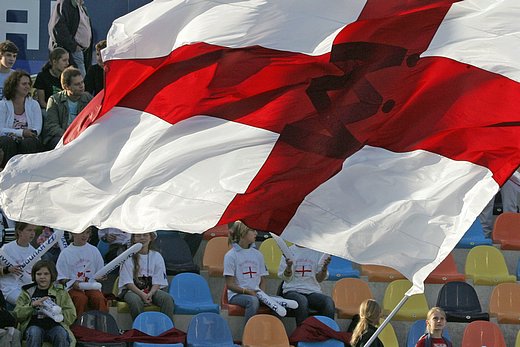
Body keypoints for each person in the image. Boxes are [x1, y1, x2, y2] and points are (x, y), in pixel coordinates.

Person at [14, 260, 76, 347]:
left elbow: (72, 315)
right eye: (39, 274)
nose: (42, 277)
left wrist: (58, 313)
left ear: (52, 275)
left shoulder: (60, 292)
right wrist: (32, 306)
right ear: (34, 276)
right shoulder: (27, 292)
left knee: (61, 334)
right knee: (34, 332)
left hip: (55, 326)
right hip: (33, 326)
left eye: (46, 274)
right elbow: (17, 314)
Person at [118, 232, 174, 321]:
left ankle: (166, 328)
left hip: (151, 290)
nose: (142, 238)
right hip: (132, 291)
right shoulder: (127, 257)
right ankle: (140, 328)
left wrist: (150, 294)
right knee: (135, 300)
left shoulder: (157, 256)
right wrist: (142, 295)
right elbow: (128, 283)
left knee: (167, 299)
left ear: (151, 238)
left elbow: (158, 280)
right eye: (138, 235)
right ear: (133, 239)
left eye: (145, 235)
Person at [56, 227, 108, 318]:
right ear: (73, 233)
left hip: (91, 286)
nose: (85, 235)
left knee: (98, 298)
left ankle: (102, 325)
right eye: (81, 232)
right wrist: (73, 283)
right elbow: (61, 277)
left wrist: (102, 277)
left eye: (87, 232)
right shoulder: (66, 253)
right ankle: (78, 327)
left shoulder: (94, 250)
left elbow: (100, 271)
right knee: (80, 299)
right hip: (73, 288)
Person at [223, 221, 269, 323]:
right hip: (237, 295)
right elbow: (230, 284)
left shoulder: (258, 255)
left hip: (256, 293)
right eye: (252, 230)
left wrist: (263, 295)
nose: (256, 233)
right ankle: (248, 333)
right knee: (252, 301)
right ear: (243, 233)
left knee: (277, 305)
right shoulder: (231, 256)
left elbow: (263, 279)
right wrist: (247, 292)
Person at [278, 244, 335, 325]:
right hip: (292, 290)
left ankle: (328, 332)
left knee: (328, 301)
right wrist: (289, 267)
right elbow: (286, 278)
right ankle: (302, 333)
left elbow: (319, 279)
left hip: (312, 291)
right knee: (302, 301)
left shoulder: (317, 252)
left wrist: (324, 268)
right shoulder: (288, 251)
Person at [0, 70, 44, 168]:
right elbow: (1, 130)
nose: (27, 86)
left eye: (29, 84)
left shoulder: (34, 104)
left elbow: (37, 128)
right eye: (24, 84)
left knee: (29, 142)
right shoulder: (3, 105)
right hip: (9, 140)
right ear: (14, 86)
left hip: (28, 139)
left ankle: (28, 172)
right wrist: (21, 133)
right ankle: (7, 172)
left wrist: (27, 134)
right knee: (7, 142)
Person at [42, 66, 92, 149]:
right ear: (66, 86)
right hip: (61, 136)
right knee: (59, 143)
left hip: (81, 135)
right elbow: (52, 126)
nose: (81, 86)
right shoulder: (54, 100)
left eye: (82, 82)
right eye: (77, 84)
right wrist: (69, 135)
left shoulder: (88, 98)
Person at [49, 0, 93, 77]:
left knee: (81, 82)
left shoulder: (80, 6)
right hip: (72, 52)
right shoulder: (65, 3)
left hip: (82, 52)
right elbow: (57, 28)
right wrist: (74, 46)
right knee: (78, 81)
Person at [0, 223, 39, 306]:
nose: (32, 233)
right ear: (19, 232)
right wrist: (7, 269)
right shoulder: (6, 249)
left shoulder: (35, 252)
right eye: (29, 230)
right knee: (26, 304)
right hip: (9, 288)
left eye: (34, 230)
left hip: (27, 287)